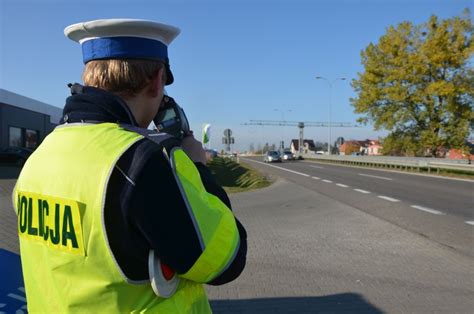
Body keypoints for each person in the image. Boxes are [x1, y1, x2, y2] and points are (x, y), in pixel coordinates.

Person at [13, 19, 247, 313]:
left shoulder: (41, 155)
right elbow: (226, 261)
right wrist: (199, 170)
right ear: (156, 81)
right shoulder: (141, 162)